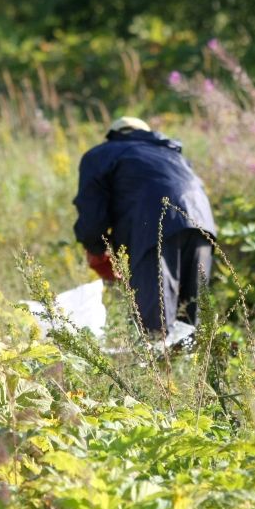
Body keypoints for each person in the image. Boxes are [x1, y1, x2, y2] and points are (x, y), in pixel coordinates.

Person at [73, 116, 216, 342]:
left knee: (154, 325)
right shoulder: (173, 154)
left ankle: (157, 373)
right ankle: (189, 373)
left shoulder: (102, 154)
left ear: (113, 135)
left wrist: (96, 247)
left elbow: (92, 212)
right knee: (191, 320)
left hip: (155, 226)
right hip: (203, 226)